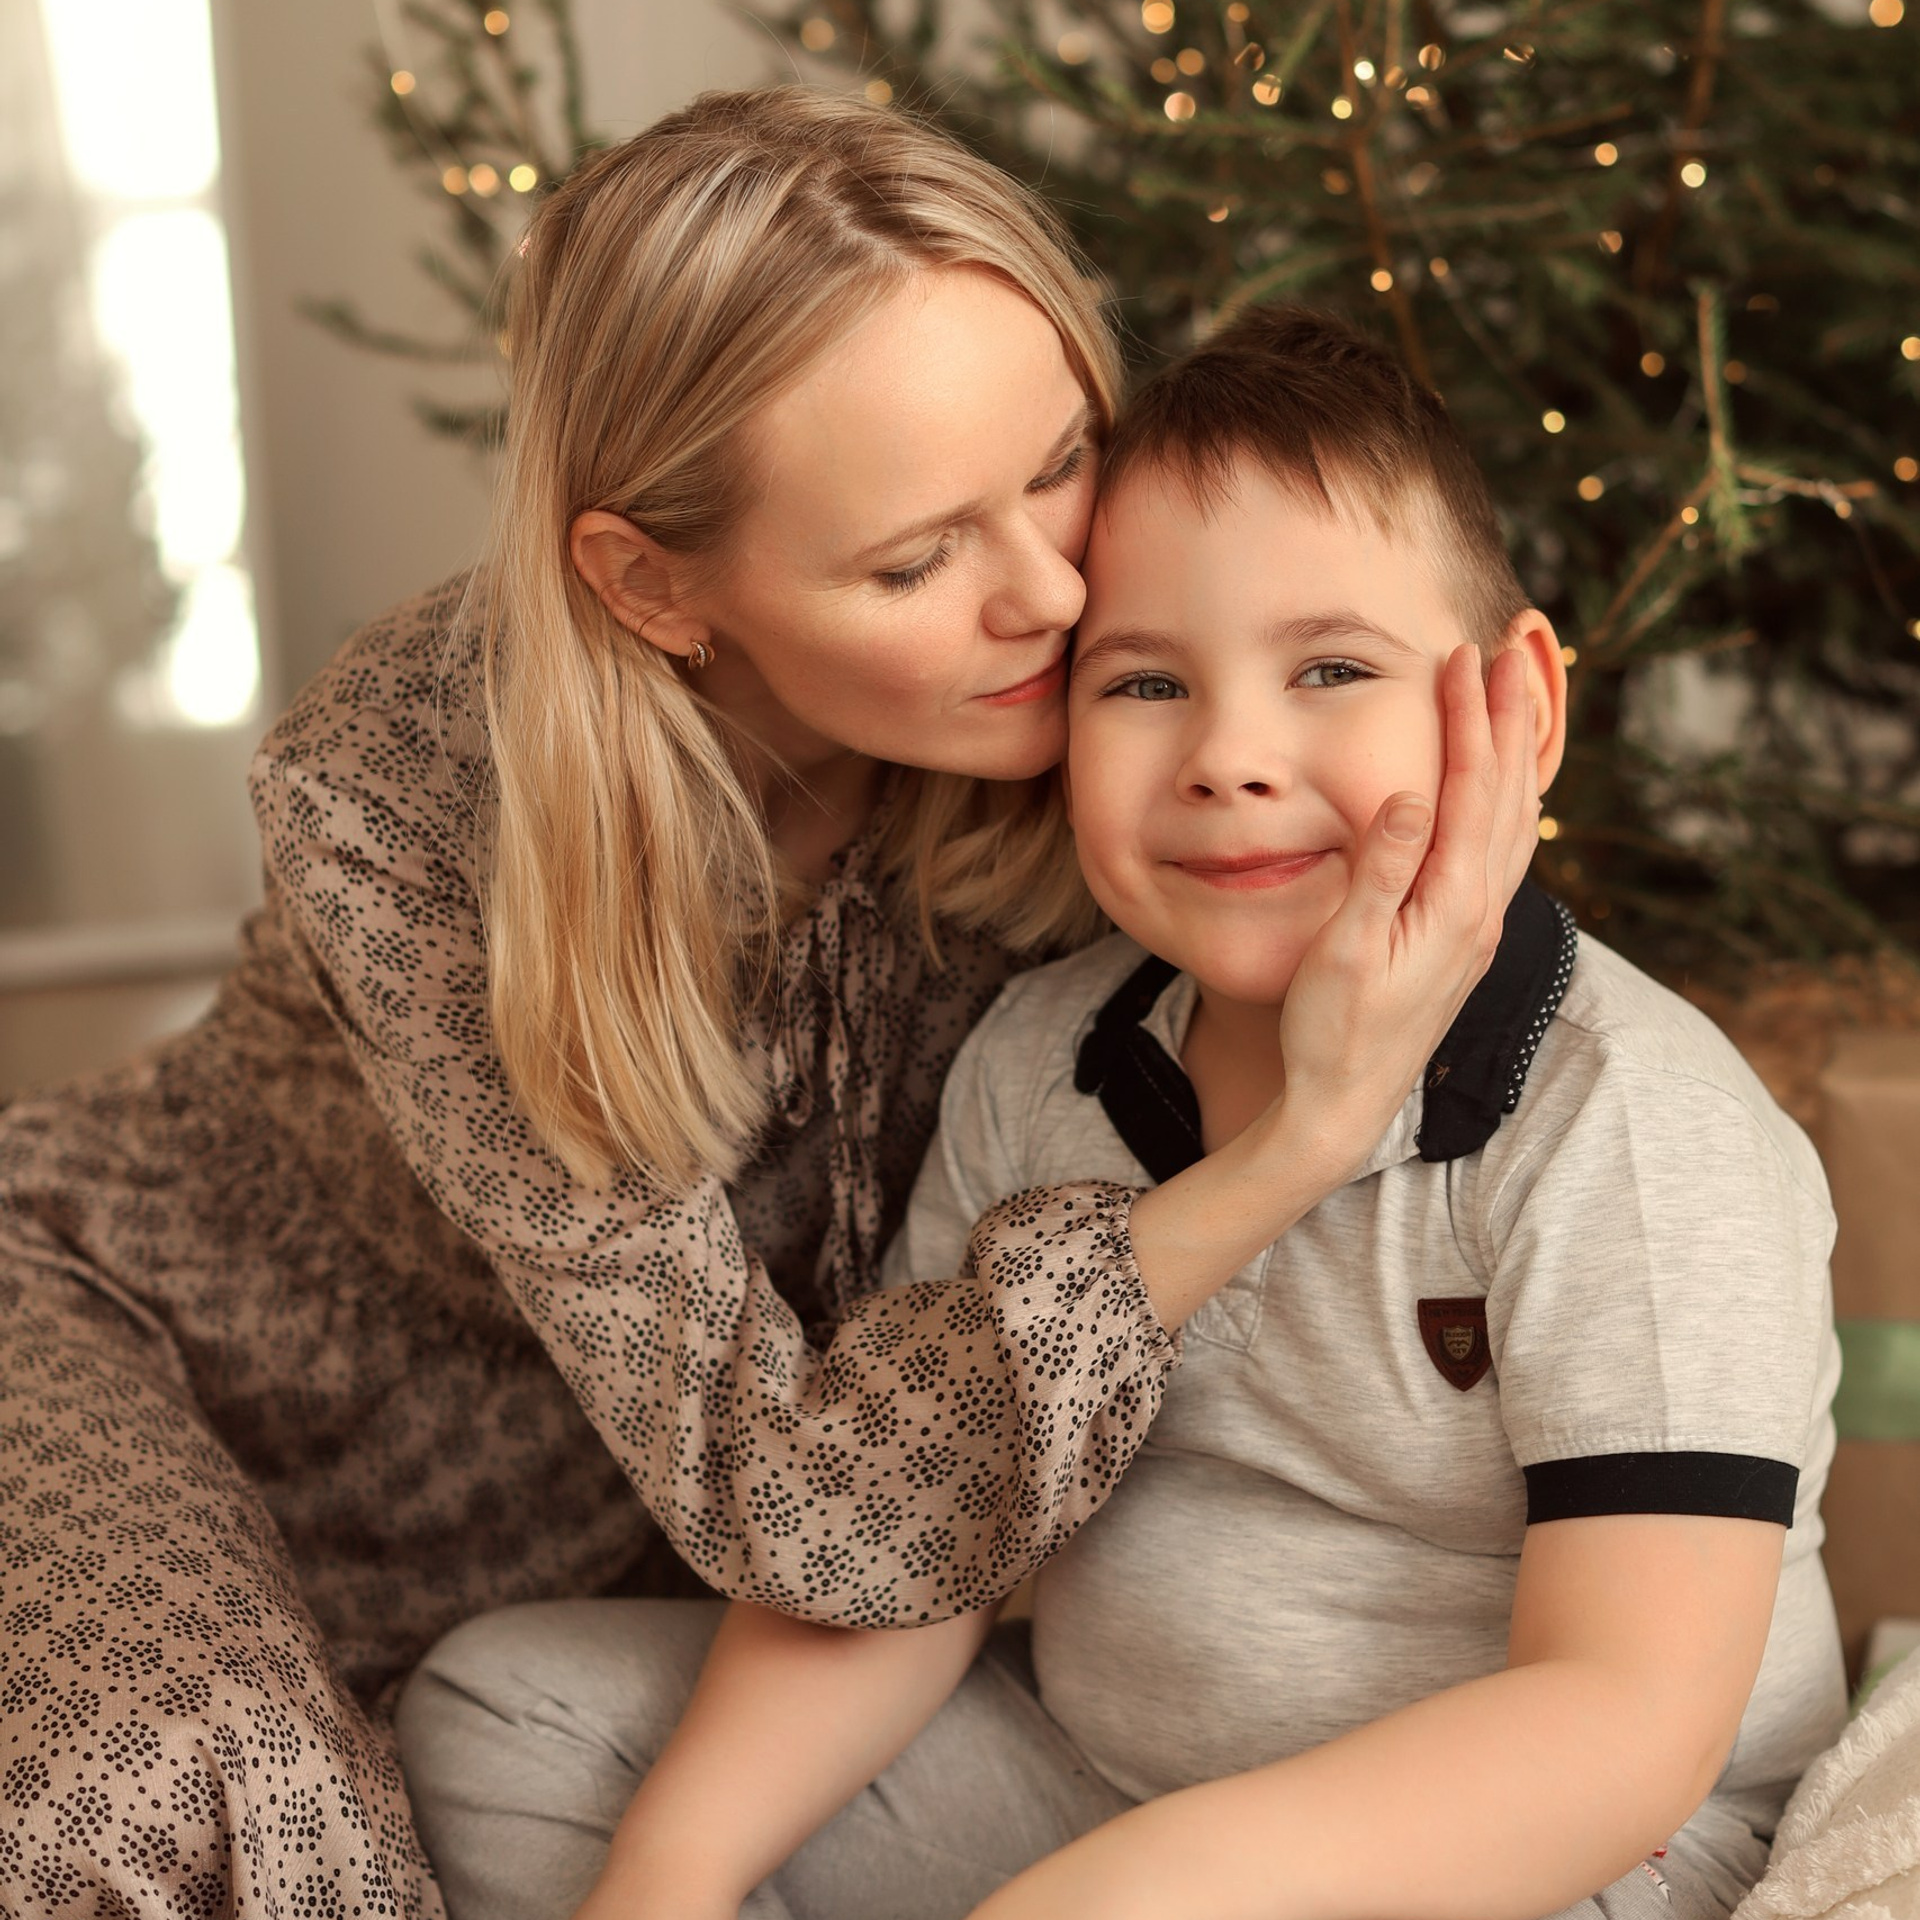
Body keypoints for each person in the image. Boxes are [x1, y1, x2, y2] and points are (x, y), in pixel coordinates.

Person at [0, 95, 1533, 1920]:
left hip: (669, 1522)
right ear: (653, 583)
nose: (1051, 594)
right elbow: (790, 1498)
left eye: (1059, 460)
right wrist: (1286, 1154)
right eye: (913, 561)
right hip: (146, 1339)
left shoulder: (1120, 715)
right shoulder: (408, 790)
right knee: (184, 1781)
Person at [395, 308, 1848, 1920]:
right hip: (1101, 1785)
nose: (1229, 756)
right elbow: (922, 1543)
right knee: (512, 1712)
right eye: (1146, 681)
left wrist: (1131, 1900)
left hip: (1572, 1855)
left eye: (1332, 670)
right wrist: (671, 1875)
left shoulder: (1624, 1121)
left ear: (1513, 708)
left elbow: (1623, 1729)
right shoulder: (1043, 1064)